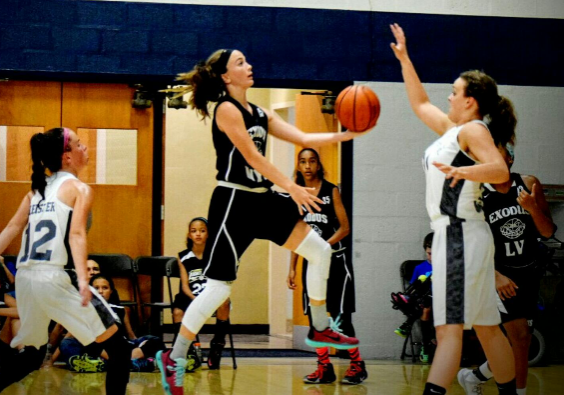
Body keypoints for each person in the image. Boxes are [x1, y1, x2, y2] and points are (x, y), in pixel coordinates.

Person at [156, 49, 365, 395]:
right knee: (219, 288)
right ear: (225, 76)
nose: (249, 65)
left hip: (261, 196)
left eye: (247, 61)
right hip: (233, 202)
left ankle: (320, 327)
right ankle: (175, 357)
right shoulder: (225, 108)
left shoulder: (260, 112)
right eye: (240, 63)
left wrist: (344, 134)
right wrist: (293, 187)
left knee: (319, 251)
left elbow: (303, 139)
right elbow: (251, 156)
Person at [390, 24, 518, 395]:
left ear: (470, 100)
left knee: (448, 331)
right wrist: (404, 58)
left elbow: (500, 171)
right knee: (487, 328)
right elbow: (419, 103)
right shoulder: (452, 129)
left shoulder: (474, 130)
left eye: (454, 92)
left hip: (460, 234)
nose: (448, 98)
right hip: (462, 235)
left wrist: (464, 171)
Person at [0, 127, 131, 393]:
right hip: (55, 277)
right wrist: (84, 278)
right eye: (79, 144)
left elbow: (12, 228)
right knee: (120, 350)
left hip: (26, 279)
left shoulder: (36, 191)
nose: (85, 148)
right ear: (67, 156)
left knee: (33, 355)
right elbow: (77, 234)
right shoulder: (79, 188)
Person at [457, 143, 556, 395]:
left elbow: (546, 231)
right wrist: (495, 275)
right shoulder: (476, 195)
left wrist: (532, 208)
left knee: (519, 344)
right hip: (498, 273)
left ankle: (473, 376)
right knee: (521, 337)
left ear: (509, 160)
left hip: (529, 272)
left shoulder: (529, 183)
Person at [286, 148, 366, 385]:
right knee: (316, 319)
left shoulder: (331, 191)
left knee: (341, 318)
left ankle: (357, 365)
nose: (308, 166)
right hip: (311, 264)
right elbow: (295, 234)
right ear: (298, 166)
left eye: (312, 161)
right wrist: (291, 267)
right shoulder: (297, 195)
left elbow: (345, 228)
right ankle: (324, 368)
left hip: (337, 262)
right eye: (303, 162)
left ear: (319, 165)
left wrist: (322, 246)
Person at [56, 274, 165, 373]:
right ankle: (132, 364)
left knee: (154, 340)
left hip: (120, 346)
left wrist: (140, 346)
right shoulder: (85, 310)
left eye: (105, 288)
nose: (100, 291)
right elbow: (71, 336)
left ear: (111, 291)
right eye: (96, 288)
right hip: (97, 348)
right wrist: (51, 360)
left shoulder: (120, 309)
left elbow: (130, 335)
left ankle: (112, 364)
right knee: (67, 343)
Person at [172, 217, 231, 371]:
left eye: (202, 230)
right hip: (190, 296)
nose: (198, 234)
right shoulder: (183, 256)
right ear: (189, 235)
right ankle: (189, 351)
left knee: (225, 302)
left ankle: (217, 345)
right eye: (194, 231)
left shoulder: (215, 255)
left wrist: (206, 299)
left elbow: (221, 283)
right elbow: (184, 285)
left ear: (208, 234)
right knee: (178, 311)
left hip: (211, 294)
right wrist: (196, 299)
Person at [394, 232, 435, 363]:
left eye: (435, 253)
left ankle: (407, 324)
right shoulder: (420, 268)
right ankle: (426, 345)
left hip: (442, 300)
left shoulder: (447, 266)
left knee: (426, 304)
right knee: (425, 305)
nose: (431, 257)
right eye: (429, 254)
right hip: (425, 301)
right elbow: (414, 289)